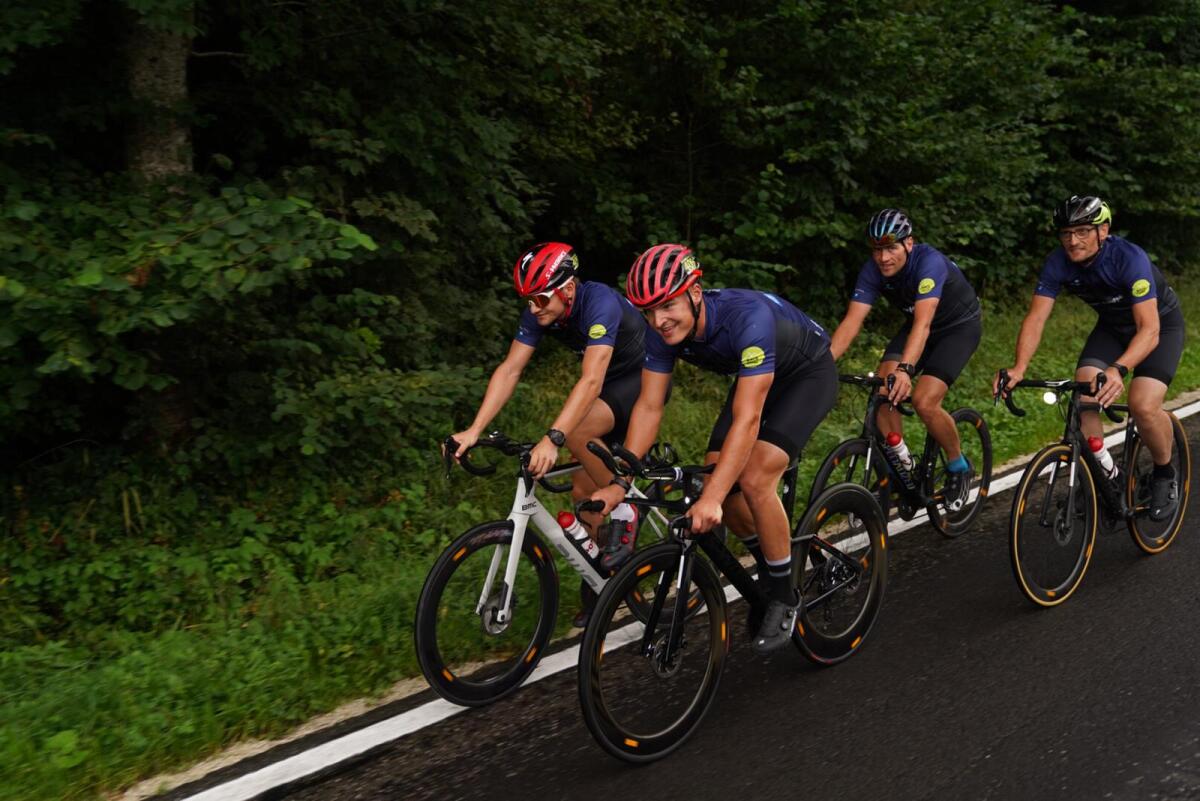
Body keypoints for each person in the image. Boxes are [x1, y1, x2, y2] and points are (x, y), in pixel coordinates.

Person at [590, 244, 838, 654]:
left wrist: (714, 499)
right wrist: (621, 480)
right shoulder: (662, 333)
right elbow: (649, 407)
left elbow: (748, 420)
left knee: (754, 479)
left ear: (695, 292)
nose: (659, 321)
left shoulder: (747, 319)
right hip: (756, 377)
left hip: (806, 375)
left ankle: (784, 592)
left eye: (667, 305)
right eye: (648, 311)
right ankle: (771, 562)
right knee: (714, 473)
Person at [448, 242, 647, 626]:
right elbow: (510, 370)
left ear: (568, 288)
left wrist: (553, 437)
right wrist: (474, 429)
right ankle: (600, 584)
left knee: (577, 431)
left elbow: (591, 380)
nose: (534, 308)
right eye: (527, 300)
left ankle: (627, 505)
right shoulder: (540, 312)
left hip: (640, 381)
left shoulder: (599, 302)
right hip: (605, 389)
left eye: (540, 298)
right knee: (582, 495)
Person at [995, 195, 1185, 520]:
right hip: (1112, 328)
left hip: (1159, 328)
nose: (1073, 240)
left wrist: (1118, 370)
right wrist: (1018, 367)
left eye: (1083, 231)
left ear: (1103, 230)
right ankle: (1104, 478)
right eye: (1066, 233)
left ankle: (1165, 474)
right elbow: (1036, 318)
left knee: (1142, 405)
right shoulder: (1058, 262)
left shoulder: (1129, 259)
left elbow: (1149, 329)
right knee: (1084, 391)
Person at [828, 209, 982, 509]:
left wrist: (905, 370)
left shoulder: (929, 263)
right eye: (877, 250)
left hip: (956, 329)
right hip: (917, 326)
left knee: (924, 401)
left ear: (908, 244)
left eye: (891, 248)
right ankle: (904, 466)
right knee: (883, 391)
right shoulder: (872, 271)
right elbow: (851, 322)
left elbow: (924, 324)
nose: (883, 258)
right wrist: (822, 364)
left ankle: (958, 466)